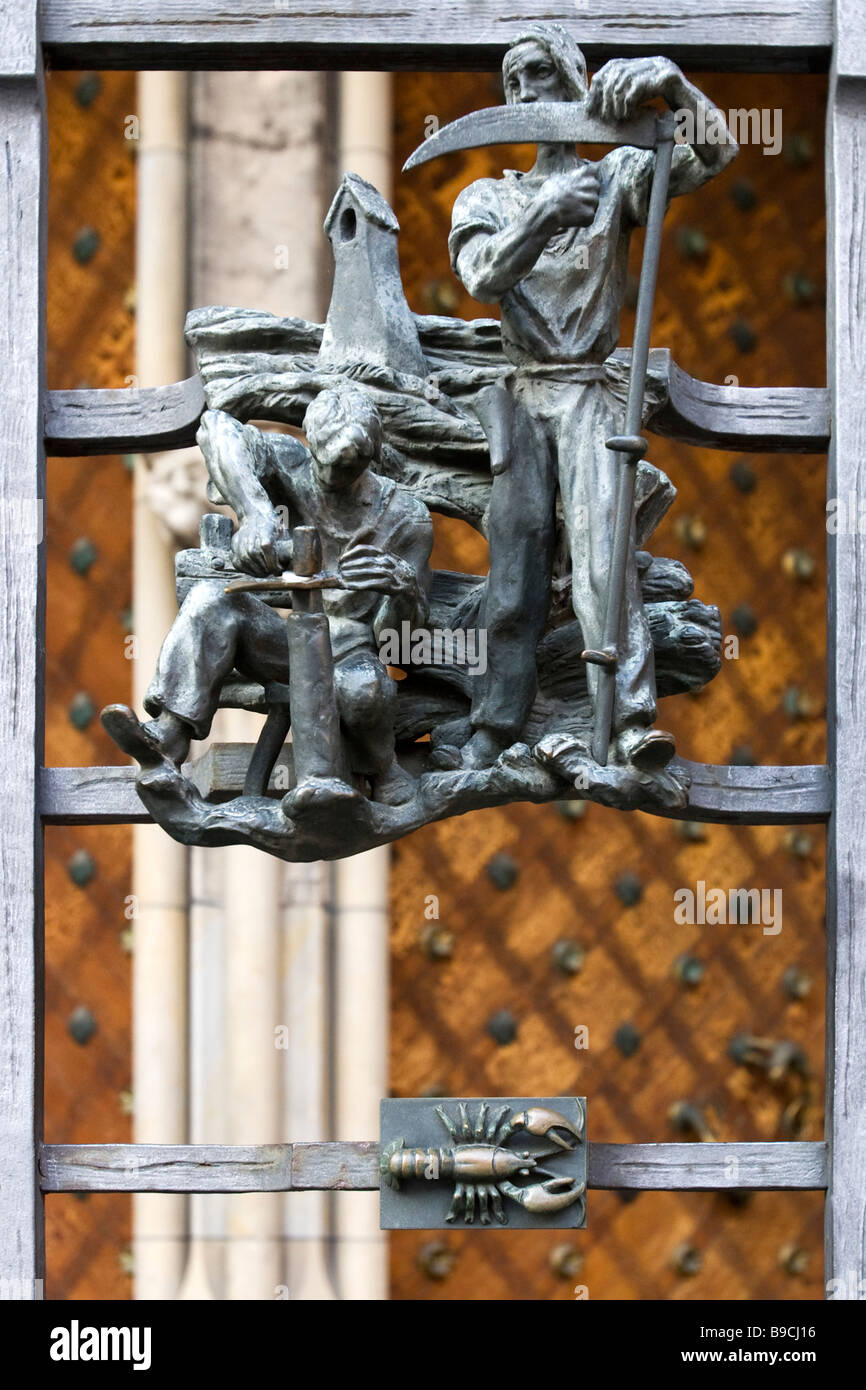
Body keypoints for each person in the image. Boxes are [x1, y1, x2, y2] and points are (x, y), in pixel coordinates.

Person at [449, 24, 737, 770]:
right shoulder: (488, 195)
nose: (523, 91)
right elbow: (482, 277)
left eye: (540, 73)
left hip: (586, 390)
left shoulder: (618, 178)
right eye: (512, 79)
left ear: (577, 84)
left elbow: (715, 152)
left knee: (604, 553)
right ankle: (496, 721)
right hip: (520, 393)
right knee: (514, 563)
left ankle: (628, 719)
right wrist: (545, 212)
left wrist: (671, 81)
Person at [105, 382, 432, 806]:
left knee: (364, 692)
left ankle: (381, 768)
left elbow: (399, 640)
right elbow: (215, 429)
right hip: (283, 640)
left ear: (370, 459)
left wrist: (401, 586)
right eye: (324, 464)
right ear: (311, 446)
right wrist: (255, 512)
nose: (329, 481)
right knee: (211, 599)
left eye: (346, 471)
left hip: (348, 651)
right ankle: (168, 737)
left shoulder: (405, 519)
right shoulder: (293, 463)